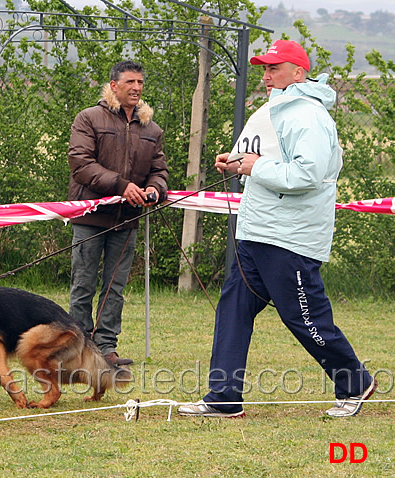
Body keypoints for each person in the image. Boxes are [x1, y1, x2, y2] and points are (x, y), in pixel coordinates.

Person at [177, 40, 375, 418]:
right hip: (253, 232)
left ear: (298, 72)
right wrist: (234, 163)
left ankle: (355, 381)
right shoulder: (269, 110)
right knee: (232, 309)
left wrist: (253, 167)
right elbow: (257, 157)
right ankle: (223, 397)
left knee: (303, 317)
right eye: (264, 69)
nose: (266, 76)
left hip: (289, 237)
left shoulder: (309, 116)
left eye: (274, 68)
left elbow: (306, 174)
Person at [68, 60, 168, 366]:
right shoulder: (89, 118)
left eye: (140, 82)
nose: (136, 88)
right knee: (83, 284)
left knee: (115, 287)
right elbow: (81, 163)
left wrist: (155, 191)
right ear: (114, 86)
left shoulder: (152, 128)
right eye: (130, 82)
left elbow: (159, 171)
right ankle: (78, 348)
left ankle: (107, 348)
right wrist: (121, 185)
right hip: (90, 218)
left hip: (128, 220)